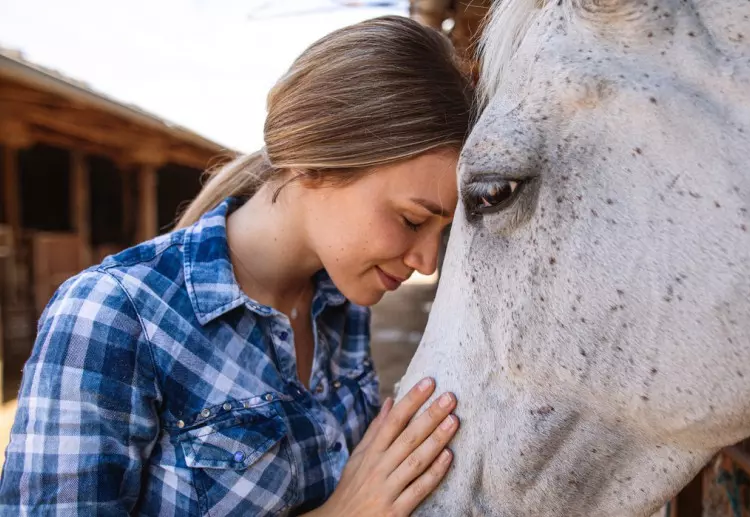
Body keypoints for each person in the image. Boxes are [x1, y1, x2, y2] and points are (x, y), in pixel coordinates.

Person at [0, 15, 473, 516]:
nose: (424, 262)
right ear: (316, 162)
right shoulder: (114, 316)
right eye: (411, 219)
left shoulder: (340, 307)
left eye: (441, 235)